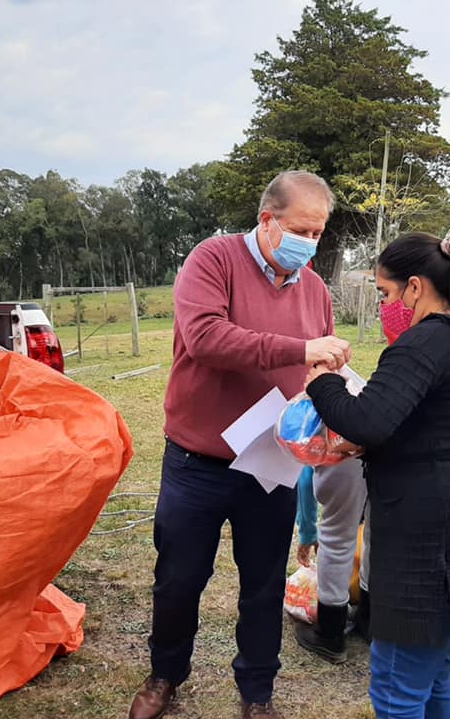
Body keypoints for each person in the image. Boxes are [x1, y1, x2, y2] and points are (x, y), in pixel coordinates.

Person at [128, 170, 351, 719]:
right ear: (267, 221)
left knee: (262, 584)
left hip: (271, 464)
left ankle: (257, 693)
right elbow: (205, 338)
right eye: (301, 229)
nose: (309, 243)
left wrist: (333, 403)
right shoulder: (213, 260)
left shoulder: (316, 289)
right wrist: (302, 349)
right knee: (179, 579)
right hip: (197, 460)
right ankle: (165, 675)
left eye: (319, 233)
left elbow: (312, 372)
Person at [305, 231, 450, 718]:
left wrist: (324, 383)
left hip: (432, 538)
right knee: (437, 671)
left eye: (385, 292)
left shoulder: (426, 342)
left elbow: (368, 420)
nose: (386, 305)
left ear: (415, 287)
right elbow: (439, 423)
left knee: (398, 690)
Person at [293, 459, 371, 662]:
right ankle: (370, 620)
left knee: (337, 533)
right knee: (380, 532)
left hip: (346, 443)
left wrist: (308, 531)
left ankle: (329, 632)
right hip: (395, 442)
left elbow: (305, 476)